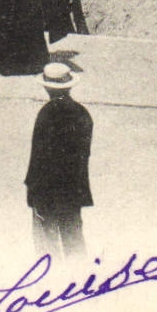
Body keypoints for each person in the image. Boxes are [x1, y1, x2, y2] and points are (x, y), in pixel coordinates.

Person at [24, 62, 92, 259]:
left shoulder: (46, 115)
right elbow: (83, 154)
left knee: (46, 240)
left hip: (47, 189)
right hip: (73, 187)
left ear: (46, 87)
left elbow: (38, 157)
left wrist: (32, 191)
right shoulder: (82, 113)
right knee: (73, 236)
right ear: (69, 85)